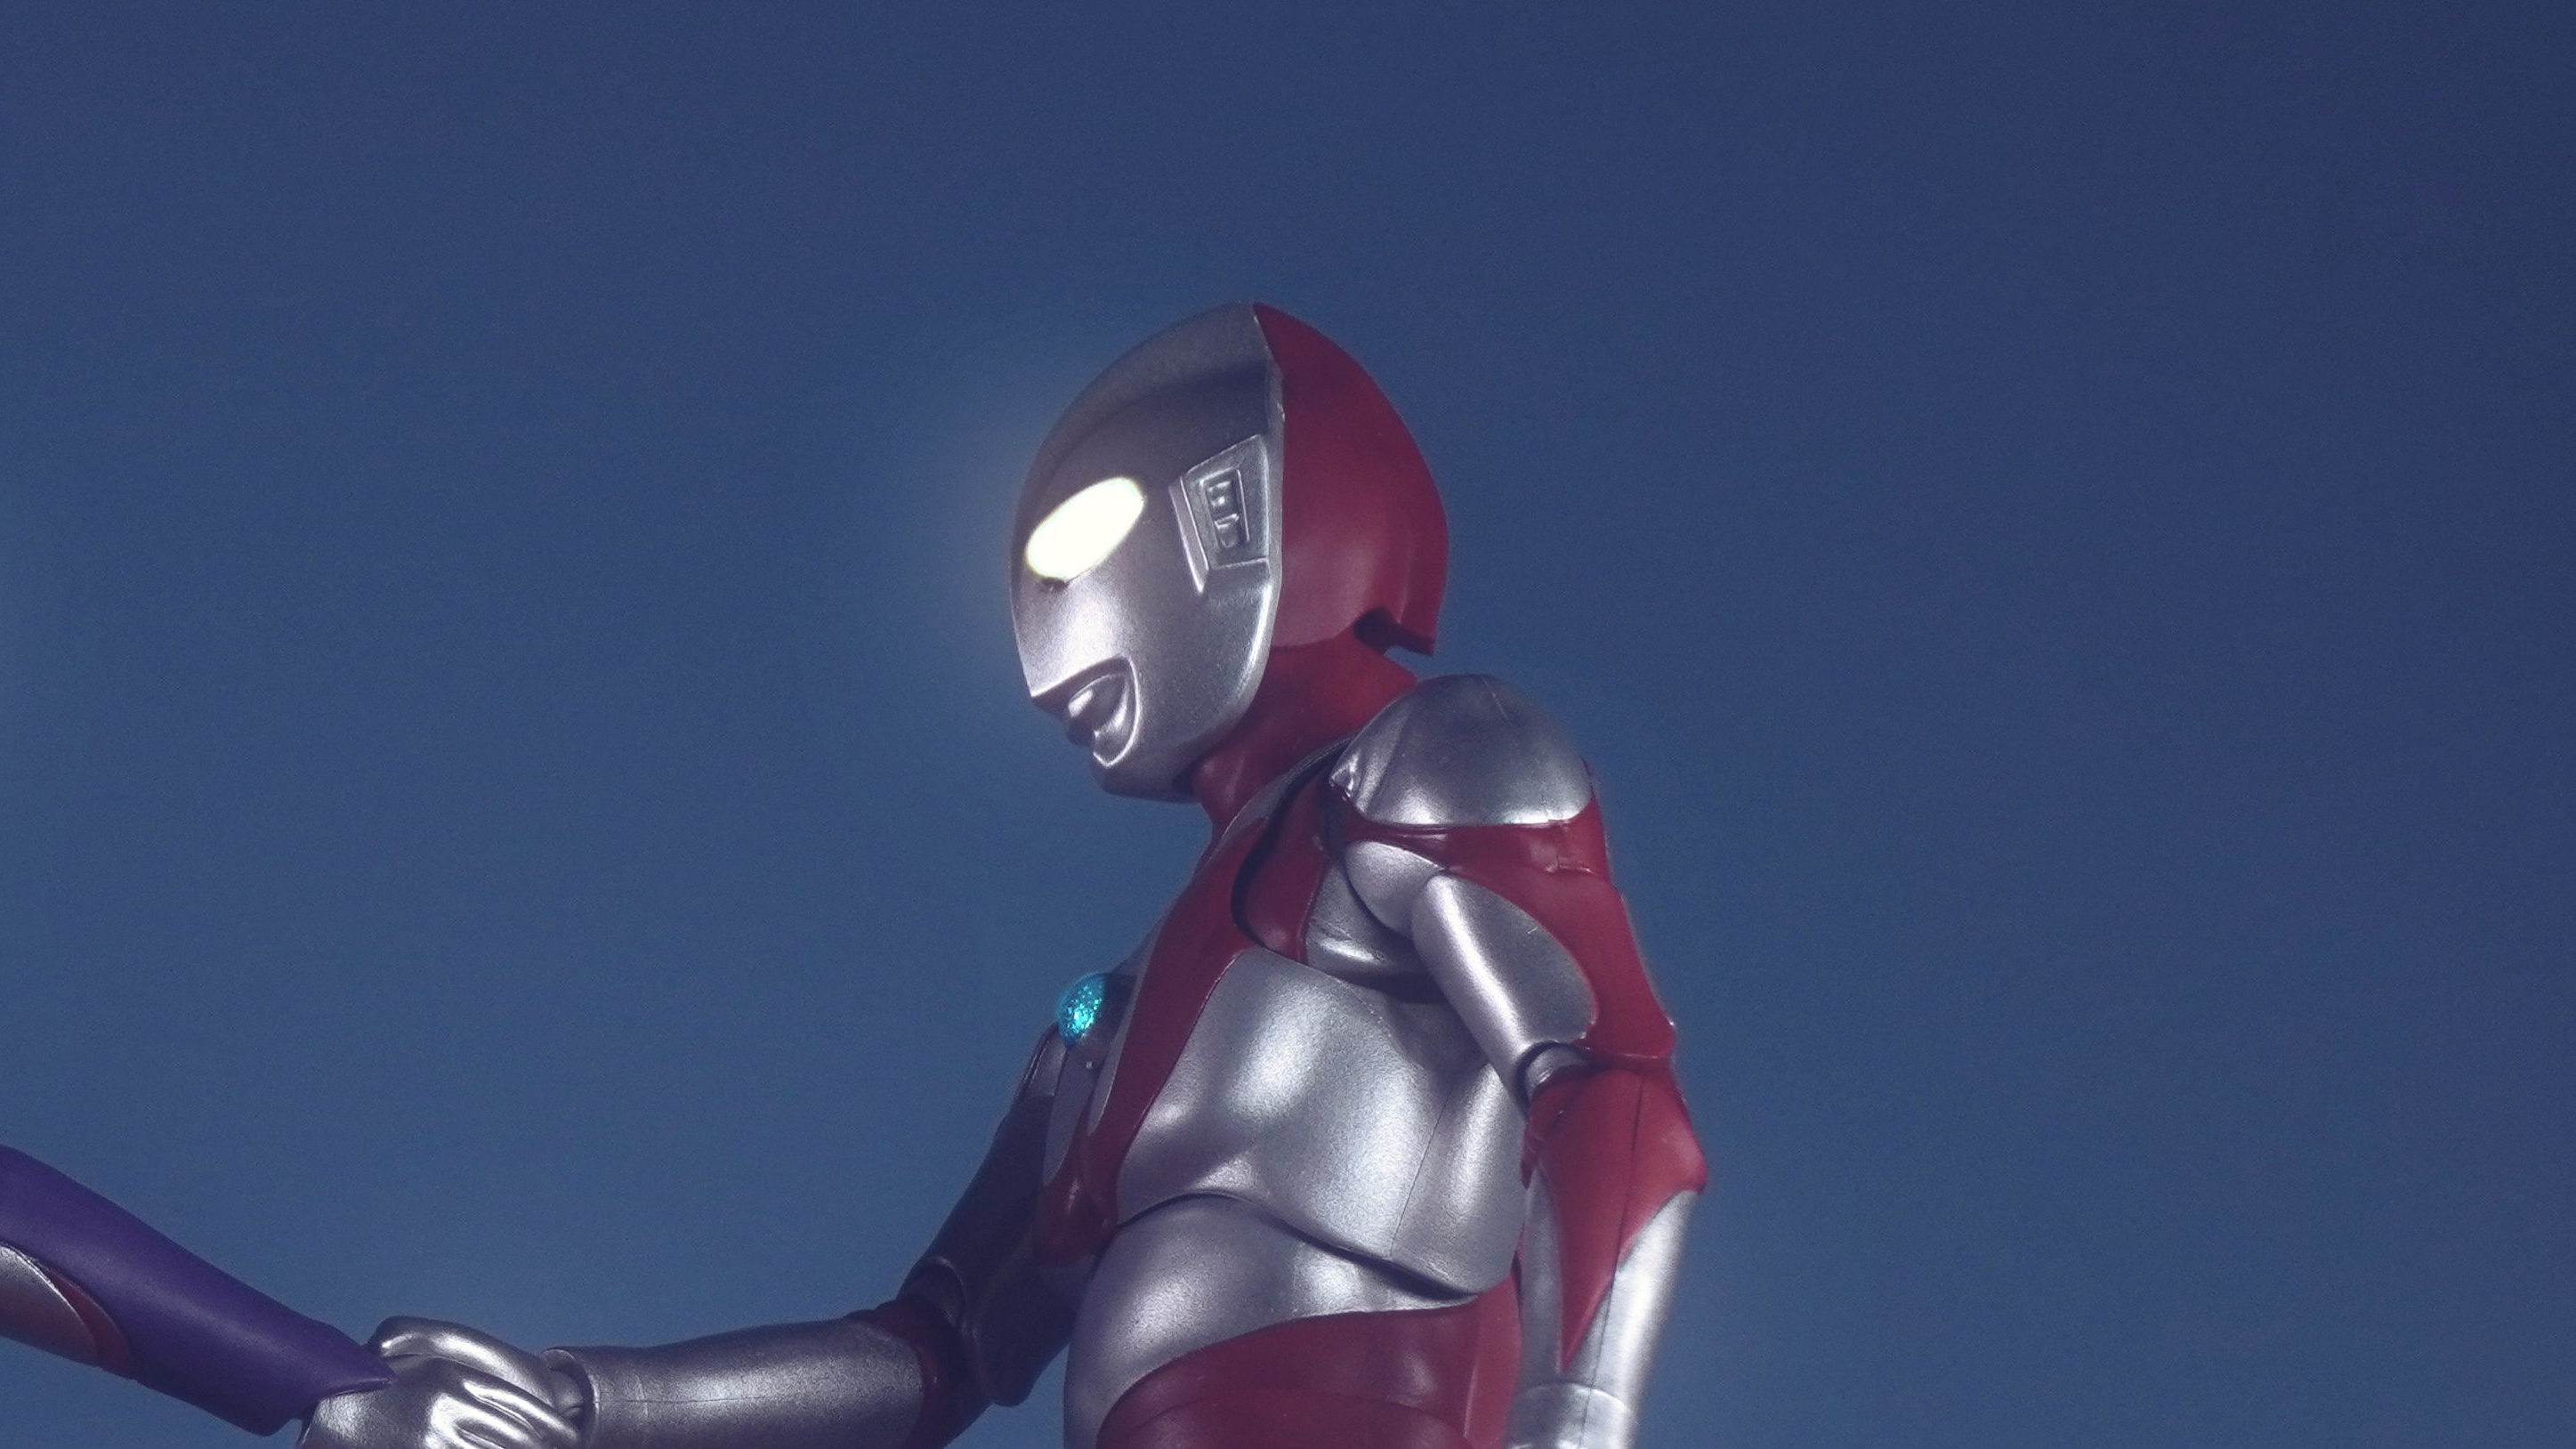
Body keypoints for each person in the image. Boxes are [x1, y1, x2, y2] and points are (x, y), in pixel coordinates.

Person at [4, 304, 1705, 1449]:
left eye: (1088, 540)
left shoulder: (1440, 758)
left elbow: (1615, 1095)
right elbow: (934, 1355)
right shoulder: (1099, 1031)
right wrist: (576, 1406)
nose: (1044, 623)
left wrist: (1580, 1424)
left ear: (1234, 518)